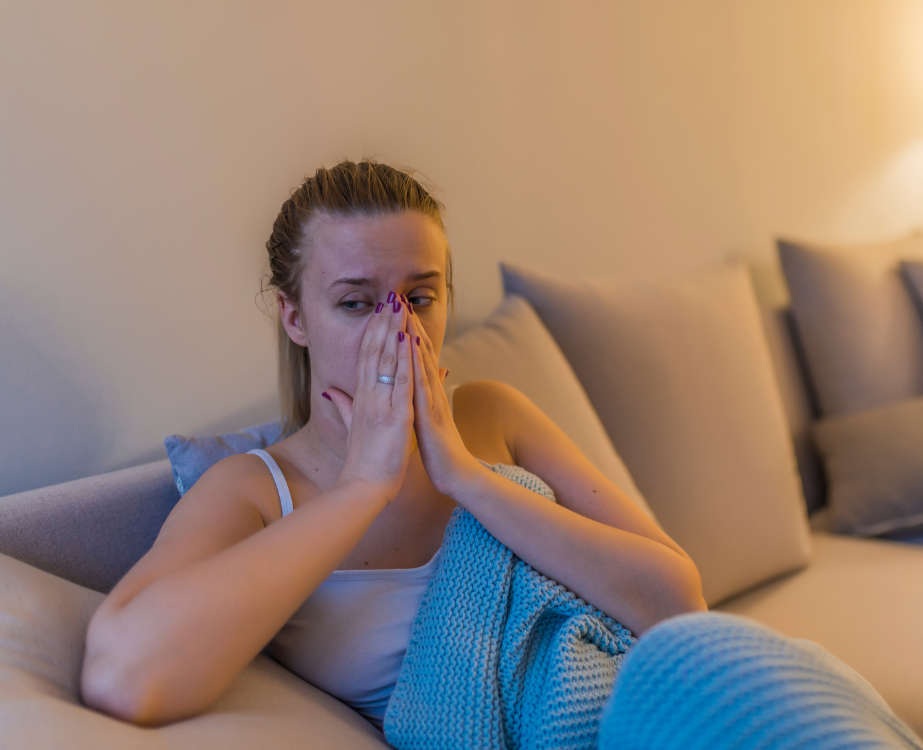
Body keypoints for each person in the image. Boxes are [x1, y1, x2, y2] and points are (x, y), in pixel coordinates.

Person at [79, 160, 708, 730]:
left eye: (421, 297)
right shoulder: (255, 490)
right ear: (295, 318)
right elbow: (124, 677)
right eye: (356, 303)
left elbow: (681, 606)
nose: (398, 327)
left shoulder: (493, 415)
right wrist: (362, 486)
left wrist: (466, 476)